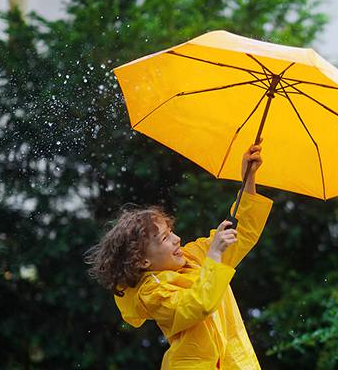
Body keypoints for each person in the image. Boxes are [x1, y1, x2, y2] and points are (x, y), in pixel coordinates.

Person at [85, 141, 273, 369]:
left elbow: (241, 234)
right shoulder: (152, 293)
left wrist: (248, 181)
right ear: (143, 261)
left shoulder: (191, 257)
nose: (177, 239)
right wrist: (213, 256)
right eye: (165, 238)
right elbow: (197, 305)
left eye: (171, 232)